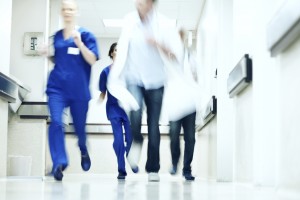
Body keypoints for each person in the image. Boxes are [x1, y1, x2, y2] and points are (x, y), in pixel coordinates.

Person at [107, 0, 183, 182]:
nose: (141, 4)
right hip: (134, 78)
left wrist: (158, 43)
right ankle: (137, 141)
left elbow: (175, 54)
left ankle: (153, 168)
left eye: (145, 1)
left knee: (153, 125)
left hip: (157, 81)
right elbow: (123, 46)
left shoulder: (164, 24)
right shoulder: (129, 21)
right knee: (134, 115)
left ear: (152, 4)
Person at [45, 0, 99, 181]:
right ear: (61, 12)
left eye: (71, 9)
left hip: (79, 91)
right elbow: (60, 60)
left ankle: (83, 149)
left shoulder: (86, 34)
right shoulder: (57, 36)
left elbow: (92, 60)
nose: (67, 12)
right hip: (57, 88)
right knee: (57, 123)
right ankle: (59, 162)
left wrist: (80, 44)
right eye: (64, 9)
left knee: (79, 129)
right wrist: (48, 55)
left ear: (76, 12)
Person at [99, 42, 133, 180]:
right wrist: (100, 99)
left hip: (128, 110)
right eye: (116, 50)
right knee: (118, 140)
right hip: (113, 110)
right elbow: (103, 91)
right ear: (111, 53)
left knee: (130, 140)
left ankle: (129, 156)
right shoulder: (105, 72)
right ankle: (121, 169)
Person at [168, 28, 198, 181]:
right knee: (174, 135)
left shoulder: (190, 56)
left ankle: (187, 168)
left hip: (190, 103)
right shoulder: (168, 55)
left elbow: (195, 77)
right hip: (174, 103)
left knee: (190, 138)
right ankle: (175, 162)